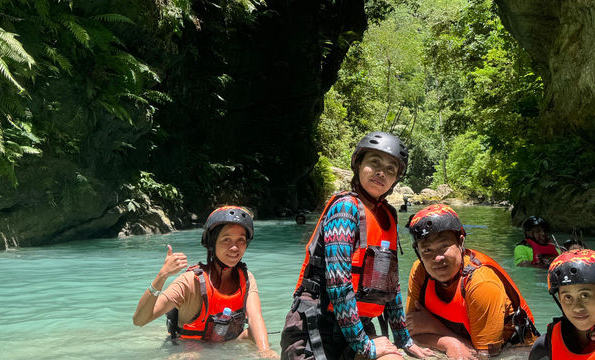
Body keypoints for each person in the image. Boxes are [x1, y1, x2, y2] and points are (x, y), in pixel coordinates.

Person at [280, 132, 432, 360]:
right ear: (358, 164)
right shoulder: (345, 210)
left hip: (359, 327)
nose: (382, 172)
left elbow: (390, 286)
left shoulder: (388, 217)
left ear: (395, 180)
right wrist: (366, 347)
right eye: (374, 162)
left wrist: (404, 340)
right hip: (316, 326)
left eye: (391, 169)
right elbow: (338, 283)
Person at [132, 205, 277, 357]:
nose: (234, 247)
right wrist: (162, 276)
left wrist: (266, 352)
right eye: (226, 239)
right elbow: (140, 320)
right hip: (188, 349)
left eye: (241, 239)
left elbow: (255, 317)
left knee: (258, 337)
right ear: (212, 243)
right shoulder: (190, 282)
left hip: (226, 344)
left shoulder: (246, 278)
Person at [406, 204, 539, 359]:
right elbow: (411, 333)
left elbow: (484, 356)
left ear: (461, 243)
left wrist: (435, 328)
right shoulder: (420, 271)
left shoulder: (481, 284)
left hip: (514, 352)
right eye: (427, 250)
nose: (437, 258)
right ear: (419, 253)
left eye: (444, 246)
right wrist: (448, 342)